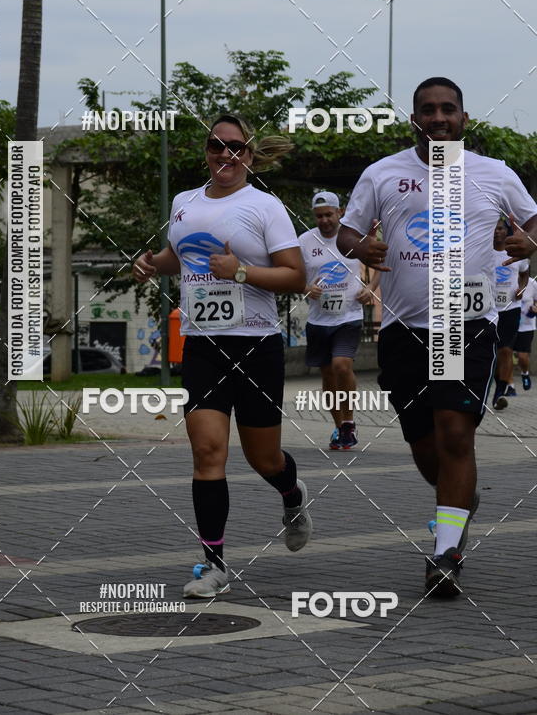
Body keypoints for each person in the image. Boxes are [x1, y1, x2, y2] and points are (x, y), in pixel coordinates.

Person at [337, 77, 537, 597]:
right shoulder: (383, 174)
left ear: (464, 119)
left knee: (454, 435)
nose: (439, 118)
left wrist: (528, 239)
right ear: (415, 120)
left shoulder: (494, 173)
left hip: (463, 324)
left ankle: (446, 555)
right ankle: (459, 501)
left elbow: (534, 221)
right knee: (426, 447)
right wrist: (361, 248)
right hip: (404, 329)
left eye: (448, 109)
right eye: (428, 110)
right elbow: (347, 232)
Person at [133, 114, 312, 599]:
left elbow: (295, 276)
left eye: (235, 146)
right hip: (203, 346)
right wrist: (150, 263)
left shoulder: (265, 206)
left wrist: (241, 272)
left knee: (264, 458)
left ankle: (291, 494)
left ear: (249, 156)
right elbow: (179, 256)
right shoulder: (184, 202)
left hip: (255, 346)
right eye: (216, 145)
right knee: (208, 452)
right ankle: (213, 565)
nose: (225, 153)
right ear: (206, 152)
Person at [299, 191, 379, 450]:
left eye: (328, 215)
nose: (324, 220)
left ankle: (349, 421)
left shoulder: (352, 238)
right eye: (319, 216)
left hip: (349, 316)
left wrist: (371, 288)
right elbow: (293, 273)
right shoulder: (304, 241)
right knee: (328, 375)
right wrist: (305, 288)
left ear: (340, 212)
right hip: (318, 320)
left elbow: (380, 262)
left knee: (341, 366)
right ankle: (340, 427)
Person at [492, 218, 529, 408]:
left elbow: (524, 274)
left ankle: (500, 393)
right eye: (494, 229)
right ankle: (493, 385)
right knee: (491, 353)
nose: (497, 232)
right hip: (488, 310)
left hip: (511, 309)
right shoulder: (484, 253)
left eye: (500, 228)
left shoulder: (517, 254)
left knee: (506, 350)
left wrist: (522, 289)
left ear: (506, 231)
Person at [513, 275, 537, 391]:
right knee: (506, 354)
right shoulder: (508, 280)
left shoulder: (533, 283)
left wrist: (535, 308)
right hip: (509, 324)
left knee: (522, 356)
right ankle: (508, 386)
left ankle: (525, 374)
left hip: (526, 325)